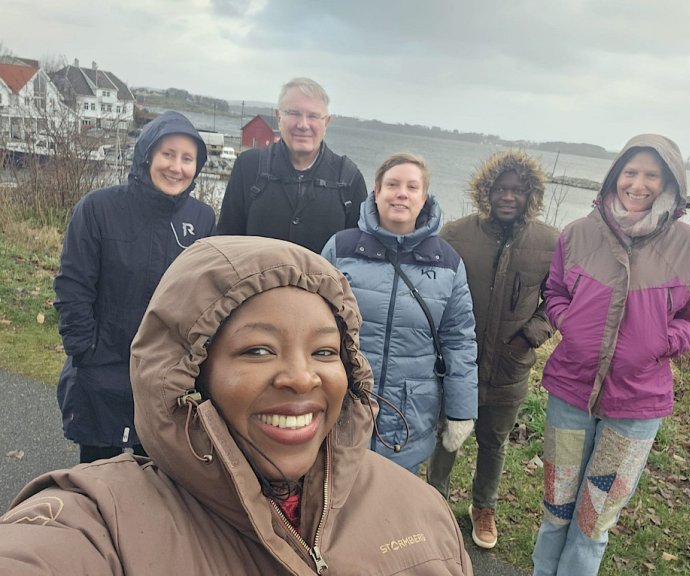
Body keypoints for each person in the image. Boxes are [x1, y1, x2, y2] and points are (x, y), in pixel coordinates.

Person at [0, 236, 474, 575]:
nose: (302, 377)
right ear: (190, 376)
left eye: (325, 351)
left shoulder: (422, 511)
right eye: (258, 350)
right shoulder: (103, 523)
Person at [531, 134, 690, 576]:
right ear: (615, 176)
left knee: (592, 522)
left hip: (636, 404)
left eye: (651, 175)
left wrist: (662, 342)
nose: (638, 184)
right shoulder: (578, 234)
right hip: (570, 393)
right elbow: (554, 290)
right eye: (630, 172)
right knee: (556, 509)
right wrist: (570, 322)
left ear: (670, 182)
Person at [53, 110, 216, 463]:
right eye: (168, 154)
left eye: (187, 158)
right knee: (98, 476)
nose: (176, 167)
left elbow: (206, 296)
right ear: (147, 155)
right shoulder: (97, 208)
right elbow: (73, 286)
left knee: (155, 475)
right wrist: (84, 350)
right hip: (101, 366)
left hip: (165, 376)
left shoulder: (202, 219)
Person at [427, 150, 559, 549]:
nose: (508, 196)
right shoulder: (455, 234)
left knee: (494, 442)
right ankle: (433, 503)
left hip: (510, 366)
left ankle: (483, 506)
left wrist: (529, 336)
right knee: (447, 435)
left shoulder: (550, 242)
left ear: (531, 194)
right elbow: (431, 286)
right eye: (500, 188)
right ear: (486, 190)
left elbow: (558, 299)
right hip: (457, 363)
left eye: (518, 190)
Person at [322, 152, 478, 473]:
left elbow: (459, 339)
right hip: (343, 403)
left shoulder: (448, 263)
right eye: (392, 185)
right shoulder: (341, 249)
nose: (401, 194)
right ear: (377, 192)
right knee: (334, 490)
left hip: (409, 413)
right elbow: (314, 323)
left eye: (412, 187)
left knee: (394, 496)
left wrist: (461, 411)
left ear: (424, 197)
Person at [216, 77, 368, 253]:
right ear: (278, 117)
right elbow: (225, 244)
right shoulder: (249, 166)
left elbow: (355, 257)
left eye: (313, 116)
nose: (303, 125)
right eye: (294, 113)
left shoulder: (349, 178)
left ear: (326, 122)